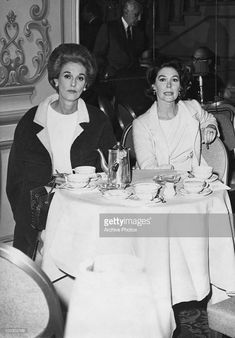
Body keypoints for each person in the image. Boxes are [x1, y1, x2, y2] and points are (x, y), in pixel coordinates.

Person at [6, 43, 116, 258]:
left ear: (86, 85)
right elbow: (15, 179)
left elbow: (112, 172)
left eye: (81, 78)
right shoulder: (31, 121)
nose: (74, 83)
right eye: (68, 76)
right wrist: (27, 217)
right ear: (56, 80)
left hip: (83, 207)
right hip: (37, 209)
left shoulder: (97, 121)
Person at [133, 59, 218, 171]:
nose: (169, 85)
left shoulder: (192, 107)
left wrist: (211, 127)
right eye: (162, 79)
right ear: (154, 86)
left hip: (193, 178)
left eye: (174, 80)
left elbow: (210, 119)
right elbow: (148, 168)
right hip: (158, 181)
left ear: (180, 87)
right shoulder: (141, 124)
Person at [93, 0, 148, 79]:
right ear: (126, 12)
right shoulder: (109, 28)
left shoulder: (139, 32)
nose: (139, 18)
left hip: (132, 78)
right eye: (136, 15)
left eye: (140, 15)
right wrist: (106, 71)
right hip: (113, 78)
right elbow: (97, 55)